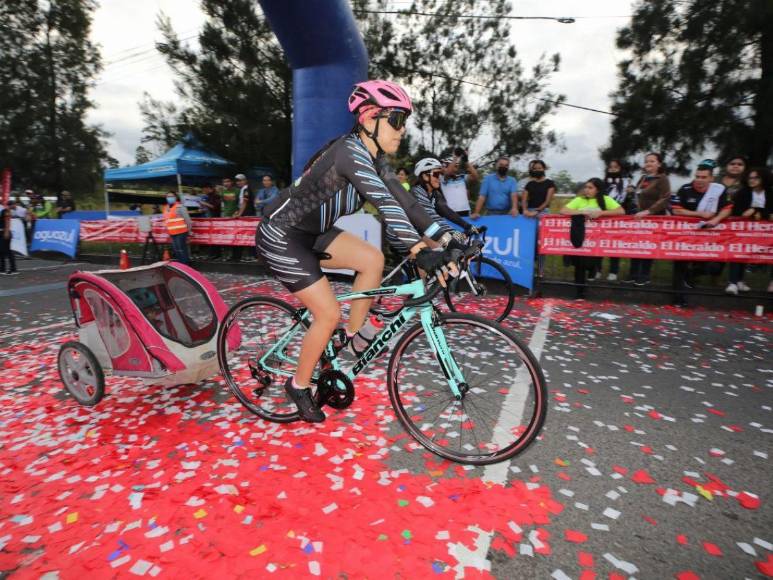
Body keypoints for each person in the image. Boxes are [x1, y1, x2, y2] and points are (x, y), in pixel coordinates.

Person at [256, 80, 462, 423]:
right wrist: (417, 249)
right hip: (280, 235)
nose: (402, 130)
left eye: (405, 122)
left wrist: (447, 239)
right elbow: (383, 203)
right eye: (396, 120)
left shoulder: (376, 160)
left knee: (372, 259)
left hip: (314, 234)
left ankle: (352, 339)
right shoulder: (348, 152)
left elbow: (406, 202)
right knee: (327, 313)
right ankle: (298, 384)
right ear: (369, 119)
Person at [669, 161, 732, 305]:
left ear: (711, 178)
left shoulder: (719, 189)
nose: (699, 180)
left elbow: (728, 208)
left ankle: (692, 275)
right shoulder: (685, 189)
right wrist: (700, 214)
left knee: (713, 266)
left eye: (703, 177)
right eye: (697, 176)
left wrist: (716, 219)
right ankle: (678, 299)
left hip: (708, 236)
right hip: (685, 235)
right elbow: (676, 210)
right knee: (680, 265)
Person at [560, 178, 625, 298]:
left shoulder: (606, 200)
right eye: (586, 187)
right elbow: (563, 210)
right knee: (579, 266)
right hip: (580, 237)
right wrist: (581, 212)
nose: (587, 190)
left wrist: (601, 213)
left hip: (596, 241)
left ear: (598, 190)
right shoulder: (579, 200)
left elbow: (621, 211)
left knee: (590, 265)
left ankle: (593, 274)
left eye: (590, 188)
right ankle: (580, 293)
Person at [405, 158, 475, 247]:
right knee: (443, 248)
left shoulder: (435, 194)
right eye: (436, 174)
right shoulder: (417, 192)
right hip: (406, 235)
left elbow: (447, 211)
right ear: (425, 176)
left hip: (423, 232)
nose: (439, 178)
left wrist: (467, 226)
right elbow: (431, 216)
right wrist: (451, 232)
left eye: (441, 174)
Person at [625, 152, 671, 286]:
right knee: (636, 245)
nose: (648, 164)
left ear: (659, 164)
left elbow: (665, 198)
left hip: (653, 217)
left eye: (652, 161)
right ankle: (633, 273)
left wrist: (649, 211)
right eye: (646, 161)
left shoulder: (662, 178)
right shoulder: (643, 178)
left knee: (647, 246)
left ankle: (644, 275)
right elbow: (639, 195)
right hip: (639, 217)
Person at [725, 167, 773, 295]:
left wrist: (759, 212)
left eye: (756, 178)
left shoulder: (769, 193)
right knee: (738, 251)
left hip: (766, 232)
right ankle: (734, 282)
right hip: (744, 230)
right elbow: (738, 212)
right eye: (750, 178)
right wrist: (752, 212)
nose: (752, 180)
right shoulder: (743, 192)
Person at [603, 159, 635, 281]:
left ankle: (614, 271)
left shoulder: (627, 183)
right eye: (610, 168)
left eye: (615, 167)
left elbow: (631, 202)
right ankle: (597, 270)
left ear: (620, 169)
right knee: (600, 243)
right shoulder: (603, 182)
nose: (612, 170)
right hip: (604, 217)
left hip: (620, 218)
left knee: (615, 245)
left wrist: (630, 193)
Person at [440, 148, 479, 217]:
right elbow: (447, 173)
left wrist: (466, 160)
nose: (444, 168)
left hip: (465, 210)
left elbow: (475, 177)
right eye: (445, 166)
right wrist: (456, 158)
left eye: (456, 166)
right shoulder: (442, 178)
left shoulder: (462, 177)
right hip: (450, 211)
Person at [163, 191, 193, 265]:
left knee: (181, 249)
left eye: (171, 196)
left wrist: (189, 231)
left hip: (181, 232)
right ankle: (181, 265)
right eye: (168, 196)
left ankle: (185, 265)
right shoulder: (166, 208)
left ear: (175, 197)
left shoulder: (180, 207)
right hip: (172, 232)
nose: (170, 198)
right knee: (176, 250)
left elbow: (188, 220)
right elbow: (166, 220)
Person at [232, 174, 254, 262]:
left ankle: (250, 256)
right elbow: (241, 203)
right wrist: (237, 212)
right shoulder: (242, 189)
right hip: (243, 215)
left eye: (241, 180)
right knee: (242, 235)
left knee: (248, 235)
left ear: (245, 180)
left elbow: (245, 202)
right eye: (237, 181)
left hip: (247, 215)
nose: (239, 182)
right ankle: (243, 255)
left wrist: (239, 214)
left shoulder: (246, 189)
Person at [1, 202, 19, 275]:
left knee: (6, 251)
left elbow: (7, 221)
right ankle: (3, 269)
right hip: (2, 232)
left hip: (4, 232)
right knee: (3, 251)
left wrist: (7, 232)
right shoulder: (4, 210)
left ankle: (13, 269)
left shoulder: (5, 211)